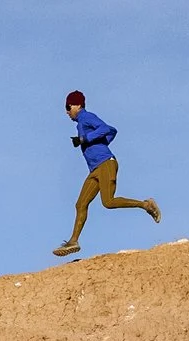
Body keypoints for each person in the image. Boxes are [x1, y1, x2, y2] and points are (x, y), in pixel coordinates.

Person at [53, 91, 159, 256]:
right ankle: (73, 241)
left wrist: (85, 139)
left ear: (78, 105)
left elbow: (108, 129)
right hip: (95, 169)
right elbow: (108, 133)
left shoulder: (86, 117)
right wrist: (97, 141)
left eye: (68, 107)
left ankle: (146, 205)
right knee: (81, 204)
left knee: (108, 202)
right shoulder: (80, 123)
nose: (67, 111)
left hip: (106, 164)